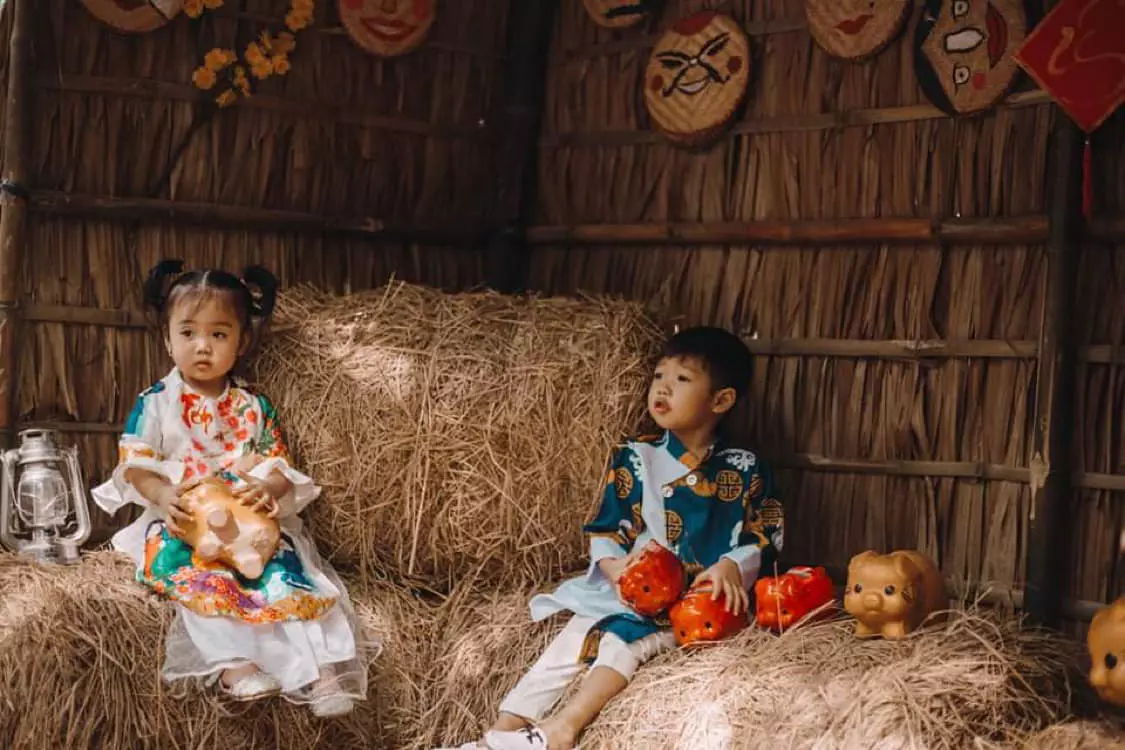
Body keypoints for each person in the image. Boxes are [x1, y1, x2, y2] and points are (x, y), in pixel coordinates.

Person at [442, 326, 784, 750]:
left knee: (622, 642)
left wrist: (733, 565)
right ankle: (500, 733)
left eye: (682, 380)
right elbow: (607, 527)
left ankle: (564, 727)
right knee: (568, 642)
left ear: (721, 400)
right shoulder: (635, 456)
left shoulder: (745, 468)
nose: (663, 388)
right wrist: (615, 566)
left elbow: (766, 531)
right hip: (631, 591)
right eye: (659, 376)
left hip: (697, 604)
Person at [92, 259, 371, 718]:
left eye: (218, 335)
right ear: (167, 339)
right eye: (188, 333)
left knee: (288, 578)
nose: (202, 347)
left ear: (241, 342)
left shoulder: (253, 406)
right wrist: (163, 497)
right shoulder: (156, 403)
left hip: (249, 519)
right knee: (206, 581)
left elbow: (275, 461)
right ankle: (236, 668)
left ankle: (319, 673)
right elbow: (136, 464)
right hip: (188, 519)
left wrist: (270, 489)